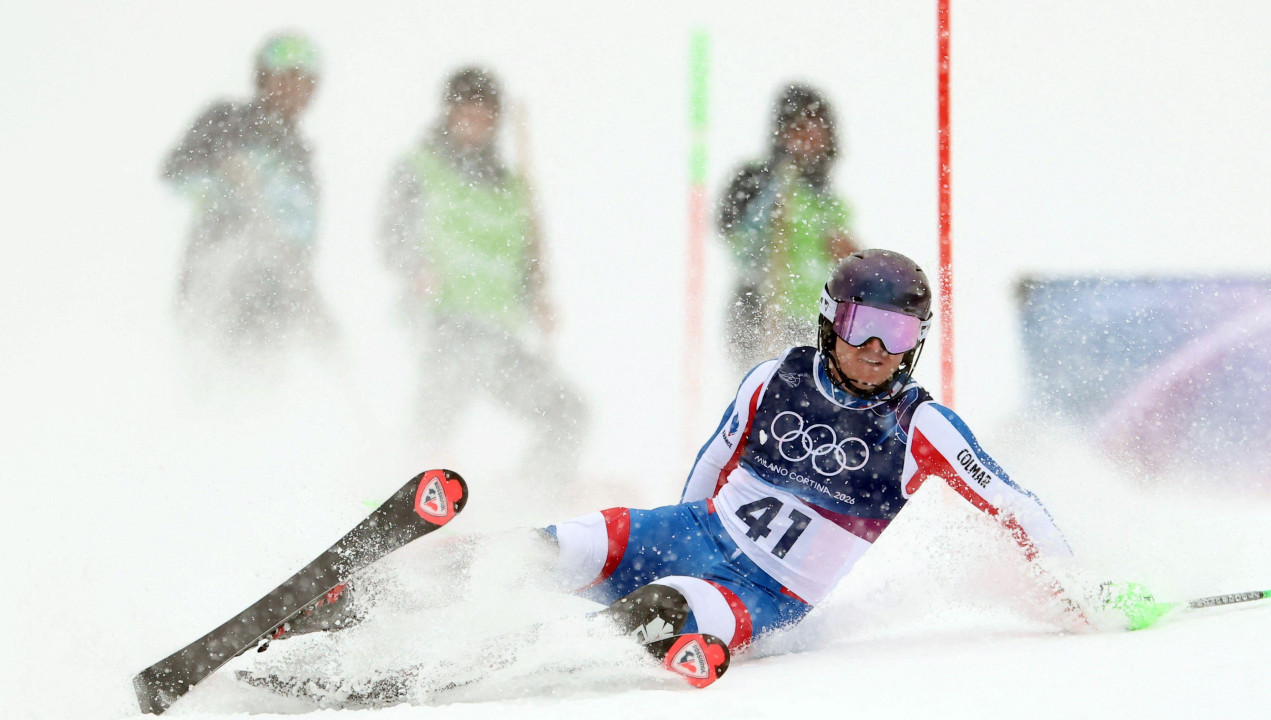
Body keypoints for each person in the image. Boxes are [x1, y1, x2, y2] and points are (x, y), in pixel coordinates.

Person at [277, 250, 1165, 691]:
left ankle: (481, 656)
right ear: (830, 318)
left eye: (894, 337)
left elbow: (1012, 503)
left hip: (768, 593)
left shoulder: (920, 424)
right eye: (860, 325)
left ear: (916, 343)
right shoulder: (774, 377)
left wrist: (1084, 588)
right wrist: (664, 540)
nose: (871, 351)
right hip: (694, 530)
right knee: (552, 548)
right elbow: (707, 473)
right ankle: (366, 601)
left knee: (657, 614)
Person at [380, 67, 586, 488]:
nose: (475, 124)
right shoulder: (420, 168)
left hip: (498, 333)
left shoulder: (514, 190)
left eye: (485, 115)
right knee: (435, 417)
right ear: (448, 113)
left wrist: (537, 298)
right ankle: (400, 494)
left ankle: (524, 505)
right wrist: (413, 264)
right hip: (441, 321)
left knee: (567, 413)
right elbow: (390, 234)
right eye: (466, 112)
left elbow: (525, 266)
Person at [163, 33, 331, 347]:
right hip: (217, 284)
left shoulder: (301, 156)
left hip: (275, 300)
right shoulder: (227, 120)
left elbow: (301, 235)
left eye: (304, 82)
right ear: (263, 78)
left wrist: (307, 297)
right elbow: (176, 175)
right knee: (213, 381)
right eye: (285, 78)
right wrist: (222, 180)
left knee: (264, 387)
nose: (293, 90)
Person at [719, 84, 860, 374]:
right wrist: (773, 198)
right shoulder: (759, 179)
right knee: (762, 391)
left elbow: (845, 257)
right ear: (782, 132)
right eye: (799, 127)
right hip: (762, 310)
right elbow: (736, 238)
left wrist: (851, 261)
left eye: (817, 127)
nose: (810, 137)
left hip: (812, 319)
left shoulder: (829, 201)